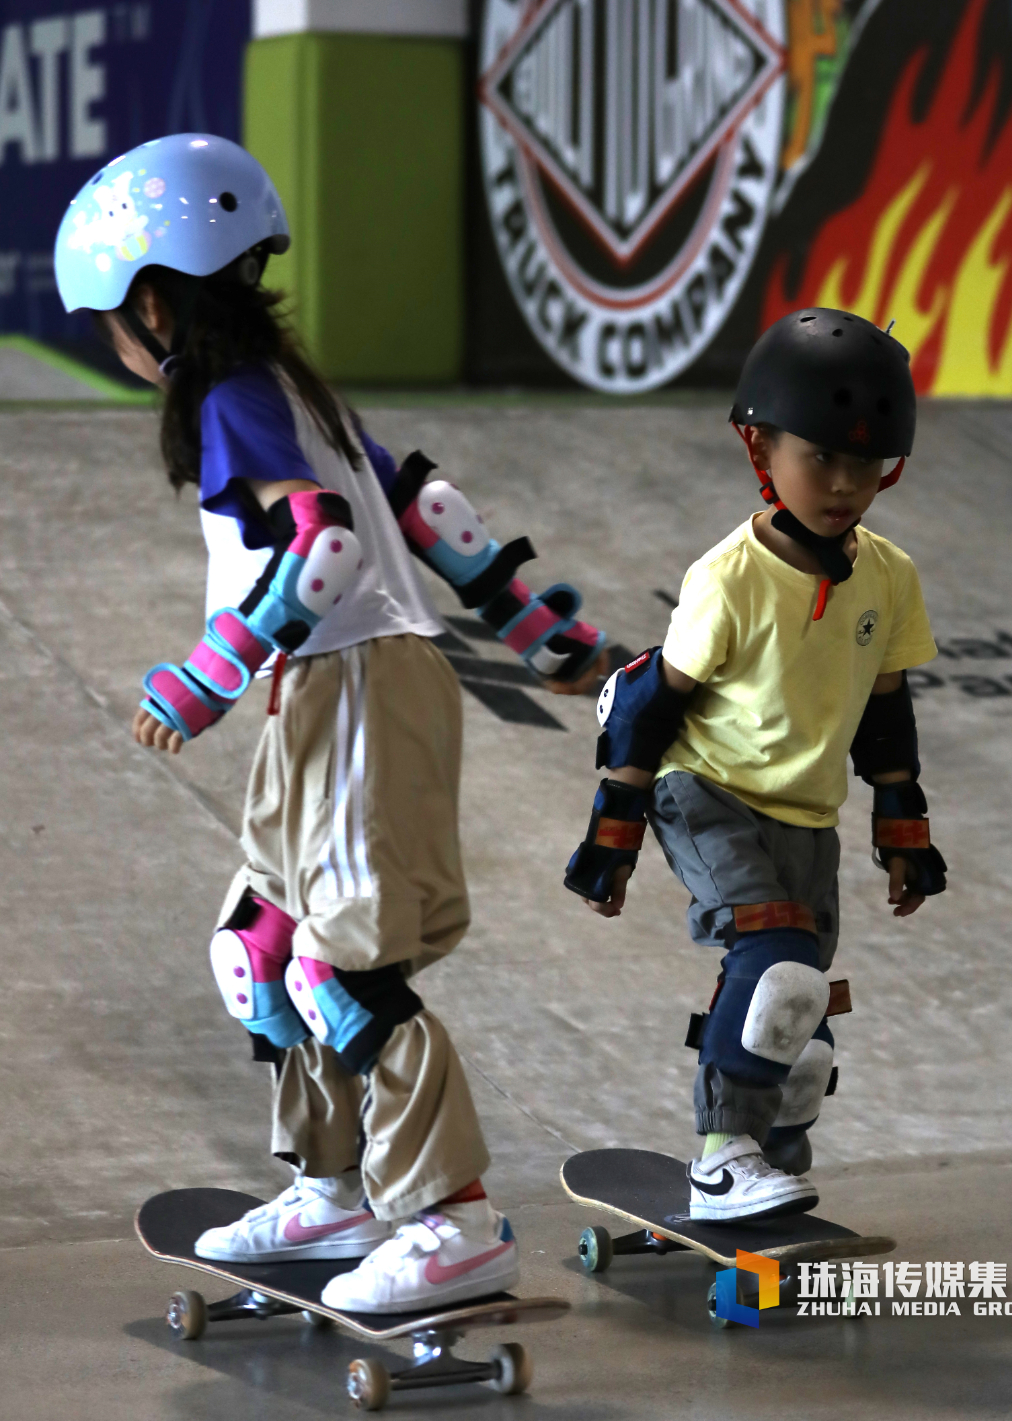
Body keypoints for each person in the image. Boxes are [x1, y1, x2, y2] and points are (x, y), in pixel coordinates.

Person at [54, 134, 606, 1310]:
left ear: (151, 300)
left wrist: (207, 674)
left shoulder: (231, 399)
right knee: (257, 953)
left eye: (110, 321)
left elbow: (328, 544)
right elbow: (430, 512)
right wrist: (543, 637)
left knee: (337, 973)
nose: (118, 345)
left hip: (358, 686)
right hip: (325, 695)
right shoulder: (295, 388)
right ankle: (335, 1190)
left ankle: (454, 1218)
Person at [563, 308, 945, 1222]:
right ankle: (719, 1159)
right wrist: (612, 837)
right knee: (776, 966)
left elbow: (884, 714)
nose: (845, 484)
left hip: (806, 811)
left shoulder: (887, 577)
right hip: (707, 792)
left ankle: (773, 1161)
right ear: (761, 446)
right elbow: (650, 705)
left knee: (800, 1017)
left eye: (867, 465)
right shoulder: (728, 578)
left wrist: (903, 827)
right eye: (821, 458)